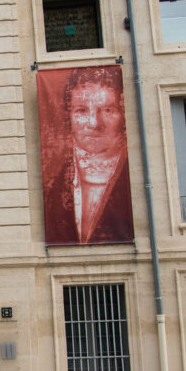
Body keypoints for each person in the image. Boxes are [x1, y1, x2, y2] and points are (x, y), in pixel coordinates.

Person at [43, 67, 134, 245]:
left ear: (122, 116)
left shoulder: (132, 179)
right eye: (81, 111)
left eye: (107, 110)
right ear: (68, 117)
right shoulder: (50, 189)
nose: (94, 123)